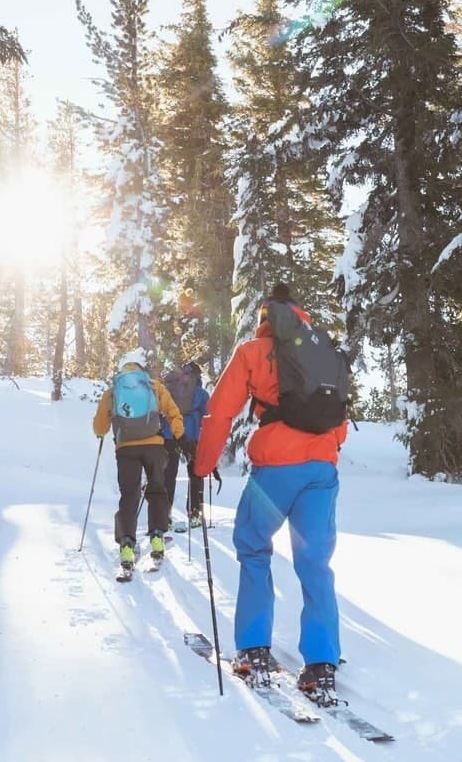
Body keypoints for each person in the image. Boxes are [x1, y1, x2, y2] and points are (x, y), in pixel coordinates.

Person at [193, 283, 349, 705]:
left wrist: (202, 466)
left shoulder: (253, 353)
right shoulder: (324, 354)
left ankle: (254, 648)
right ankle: (321, 663)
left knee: (253, 547)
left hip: (276, 469)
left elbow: (220, 411)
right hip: (322, 470)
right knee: (316, 563)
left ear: (265, 317)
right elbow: (339, 424)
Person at [93, 348, 184, 578]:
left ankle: (126, 545)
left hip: (126, 449)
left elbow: (99, 427)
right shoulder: (154, 386)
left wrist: (104, 431)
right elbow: (173, 412)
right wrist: (179, 434)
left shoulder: (113, 391)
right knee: (157, 490)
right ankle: (156, 538)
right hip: (154, 446)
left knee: (129, 495)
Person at [160, 362, 214, 527]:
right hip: (191, 438)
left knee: (169, 475)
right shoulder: (201, 393)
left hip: (169, 436)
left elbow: (162, 412)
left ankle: (165, 514)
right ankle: (195, 513)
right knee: (195, 474)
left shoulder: (169, 390)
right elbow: (208, 417)